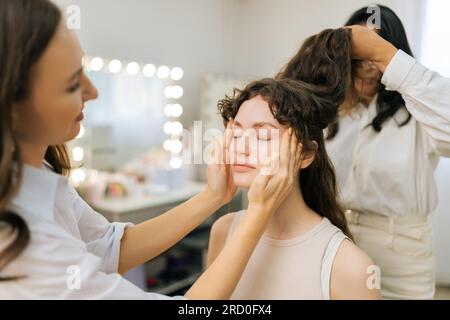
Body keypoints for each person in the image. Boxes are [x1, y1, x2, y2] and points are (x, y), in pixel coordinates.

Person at [0, 0, 301, 299]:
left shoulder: (42, 177)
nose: (93, 92)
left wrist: (213, 196)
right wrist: (258, 213)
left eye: (263, 136)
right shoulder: (19, 244)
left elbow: (110, 248)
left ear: (306, 153)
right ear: (12, 104)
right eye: (71, 84)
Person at [282, 5, 450, 299]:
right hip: (335, 240)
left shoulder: (419, 112)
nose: (368, 65)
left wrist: (385, 56)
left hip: (403, 252)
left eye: (375, 52)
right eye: (358, 54)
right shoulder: (332, 114)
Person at [207, 29, 381, 300]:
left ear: (306, 154)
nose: (240, 147)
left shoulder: (351, 266)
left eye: (263, 135)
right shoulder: (222, 230)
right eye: (237, 133)